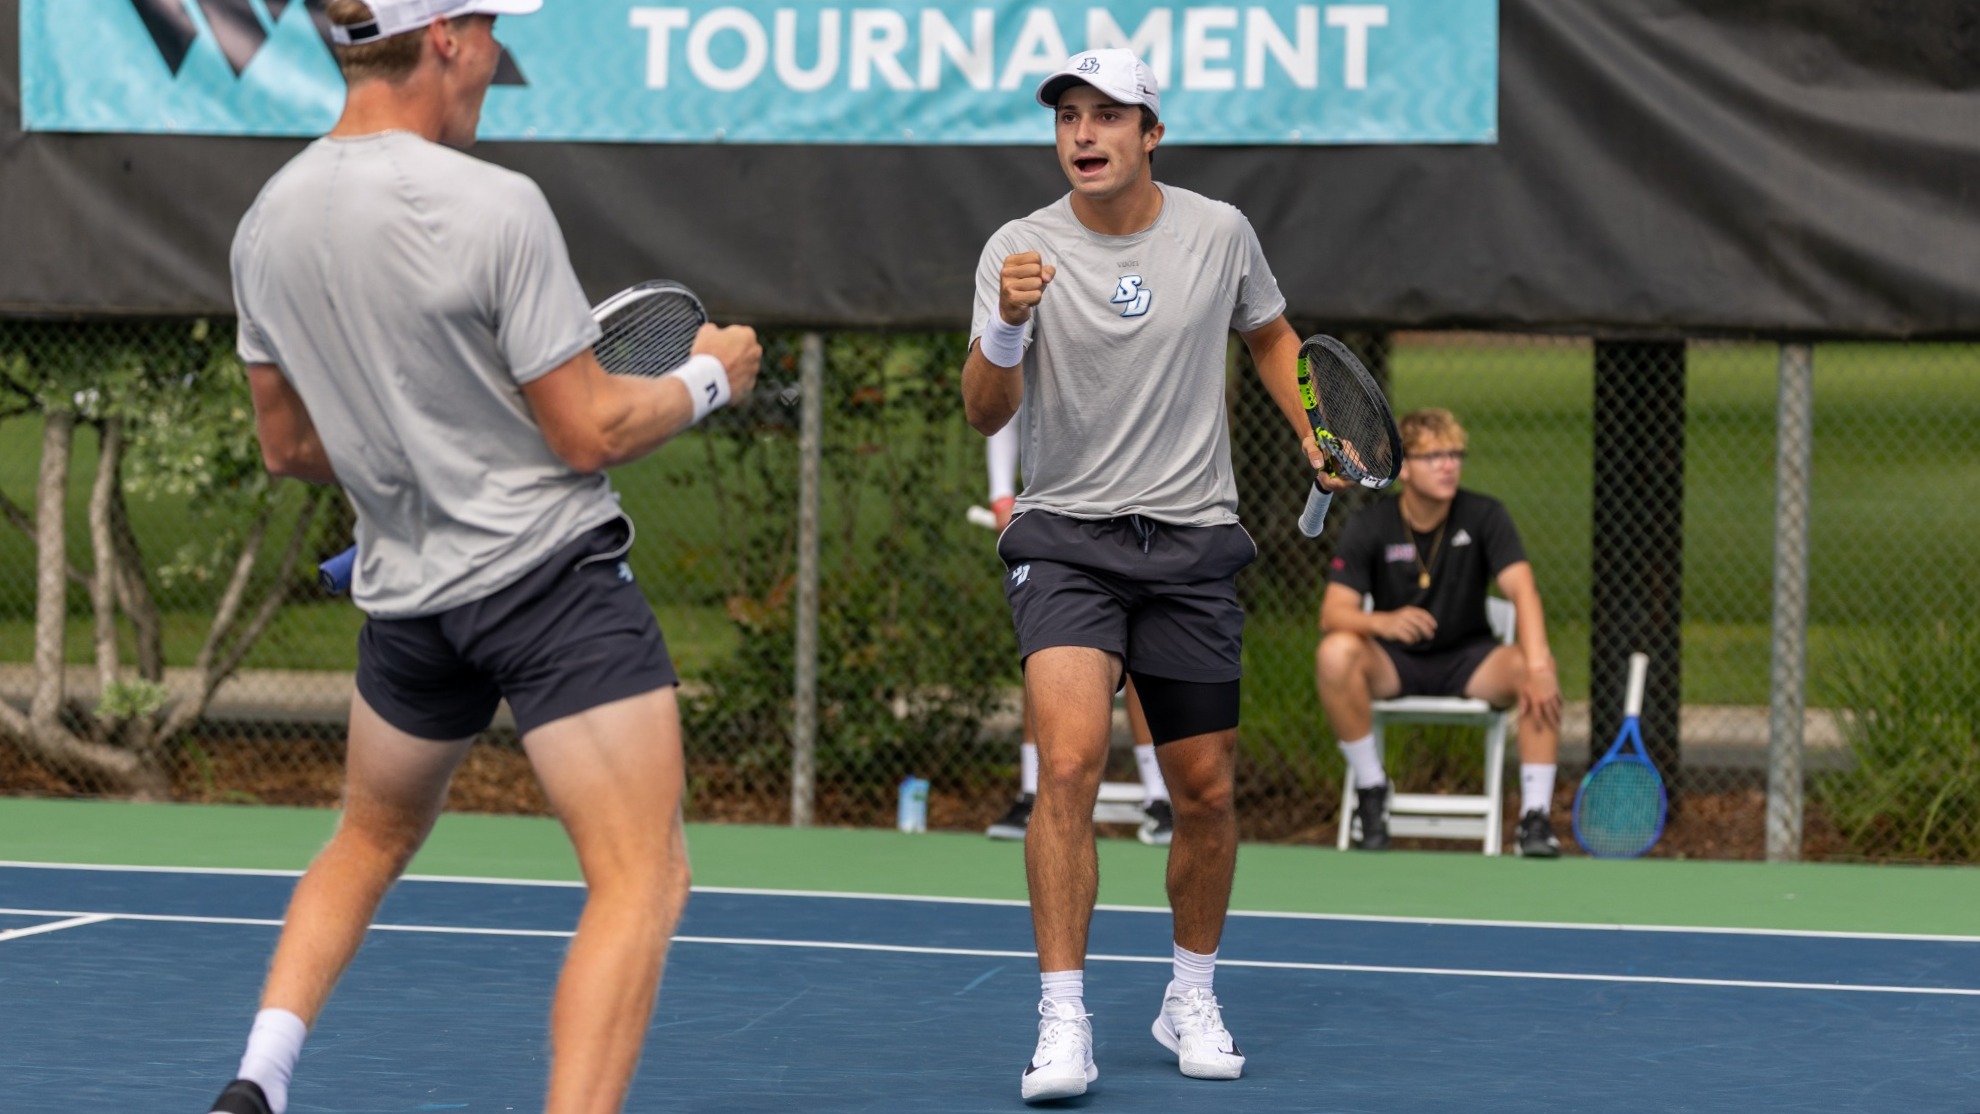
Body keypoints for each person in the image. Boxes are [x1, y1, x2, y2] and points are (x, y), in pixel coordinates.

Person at [206, 3, 760, 1113]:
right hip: (547, 584)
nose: (501, 52)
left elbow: (290, 445)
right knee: (641, 875)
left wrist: (423, 444)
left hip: (409, 599)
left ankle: (255, 1078)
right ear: (445, 37)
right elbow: (589, 430)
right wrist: (712, 378)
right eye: (493, 28)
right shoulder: (497, 205)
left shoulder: (266, 223)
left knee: (367, 837)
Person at [961, 49, 1349, 1103]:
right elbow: (985, 411)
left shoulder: (1219, 233)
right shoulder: (1019, 248)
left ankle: (1189, 991)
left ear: (1151, 134)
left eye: (1107, 117)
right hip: (1067, 541)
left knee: (1208, 791)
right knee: (1072, 763)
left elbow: (1270, 336)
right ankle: (1062, 1016)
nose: (1083, 135)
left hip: (1190, 545)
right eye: (1068, 118)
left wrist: (1312, 427)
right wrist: (1005, 318)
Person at [1315, 408, 1565, 857]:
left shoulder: (1486, 515)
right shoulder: (1369, 525)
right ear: (1403, 468)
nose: (1449, 465)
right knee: (1335, 653)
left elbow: (1523, 591)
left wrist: (1539, 662)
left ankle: (1535, 819)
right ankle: (1372, 793)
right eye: (1434, 456)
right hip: (1394, 663)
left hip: (1472, 662)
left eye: (1455, 454)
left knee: (1535, 669)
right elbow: (1333, 613)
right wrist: (1381, 622)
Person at [982, 425, 1174, 846]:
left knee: (1148, 658)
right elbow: (1002, 404)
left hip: (1149, 522)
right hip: (1060, 527)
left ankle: (1160, 800)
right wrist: (1001, 495)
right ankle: (1033, 793)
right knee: (1048, 657)